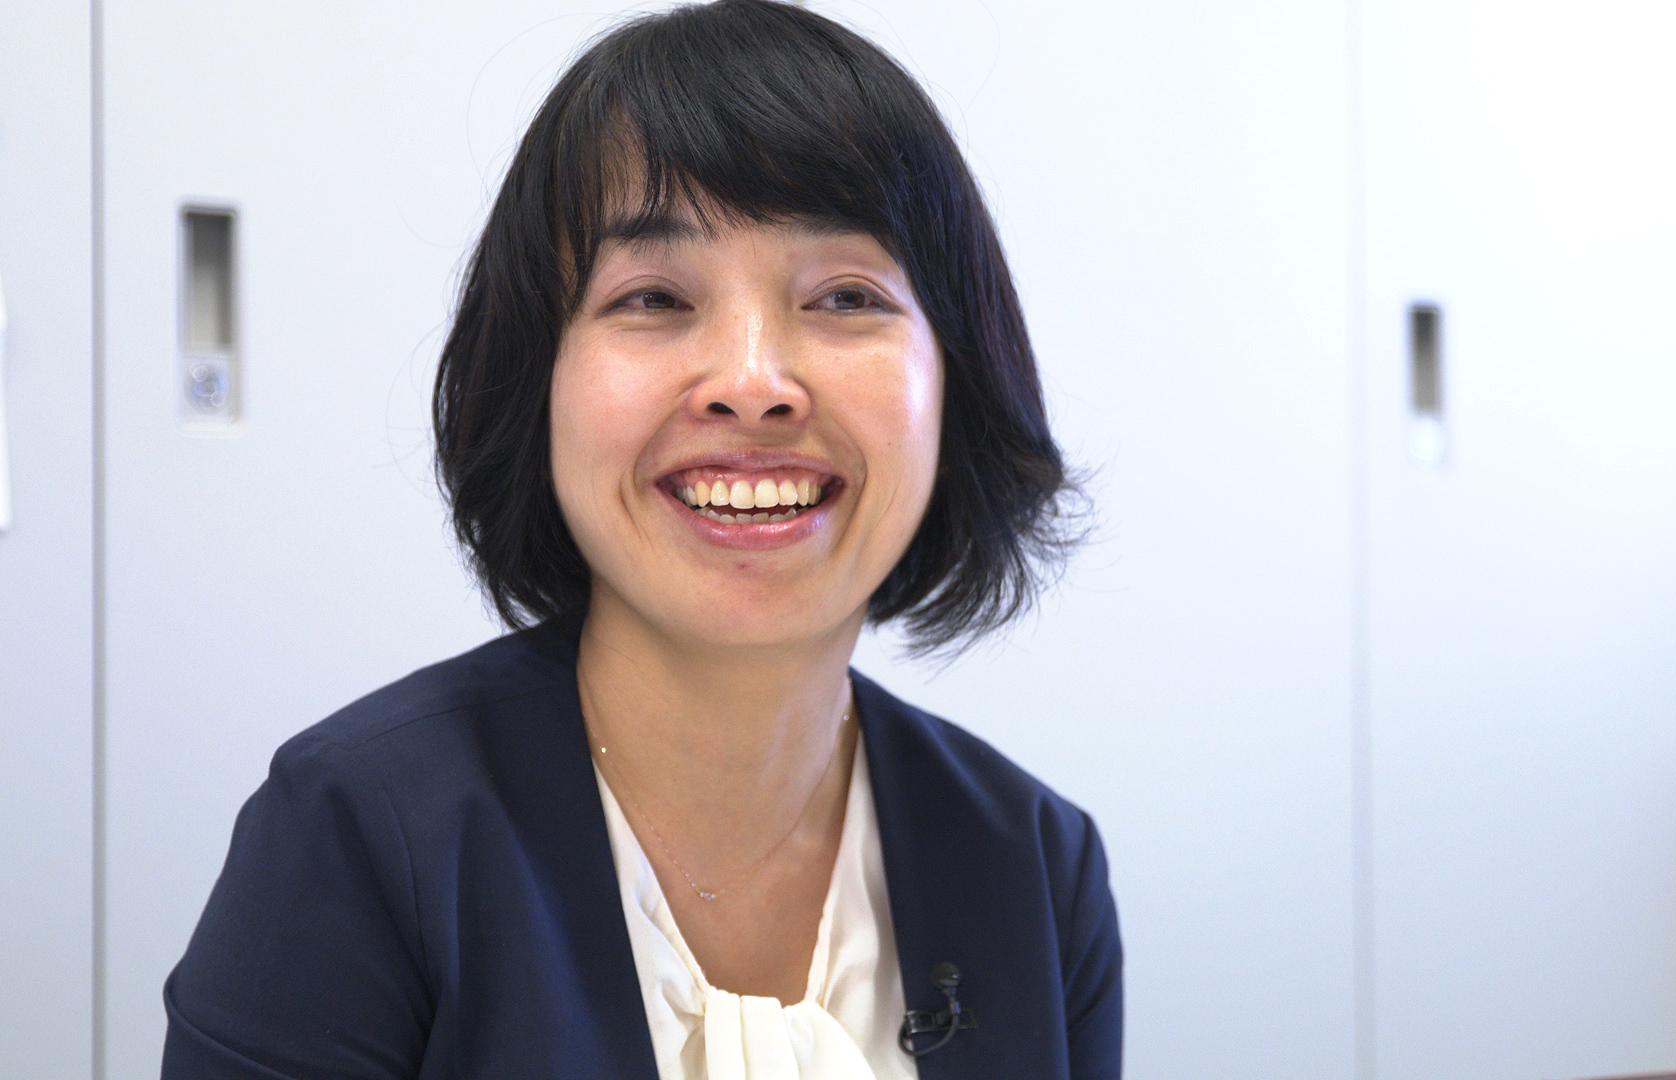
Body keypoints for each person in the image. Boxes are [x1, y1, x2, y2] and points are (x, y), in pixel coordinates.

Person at [158, 2, 1122, 1078]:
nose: (752, 382)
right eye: (655, 297)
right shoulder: (355, 835)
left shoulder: (1037, 870)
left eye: (846, 296)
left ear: (956, 383)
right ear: (538, 384)